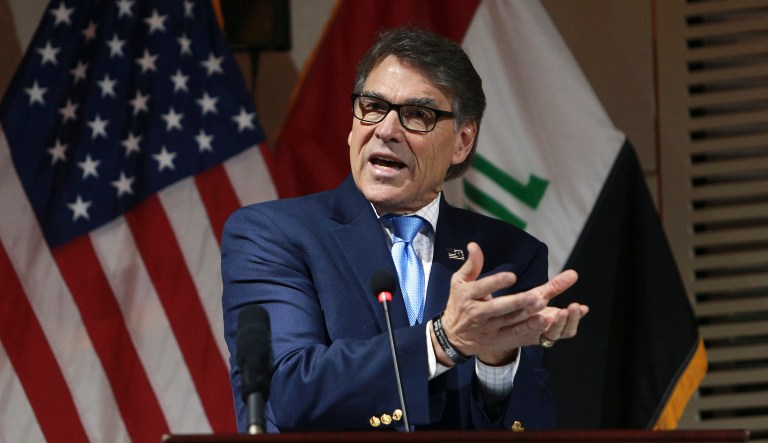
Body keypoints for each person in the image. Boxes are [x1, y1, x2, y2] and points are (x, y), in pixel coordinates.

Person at [222, 27, 589, 433]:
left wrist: (497, 363)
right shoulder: (271, 233)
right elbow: (288, 393)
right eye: (373, 106)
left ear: (462, 142)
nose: (387, 129)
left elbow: (534, 424)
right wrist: (442, 341)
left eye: (419, 115)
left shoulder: (508, 254)